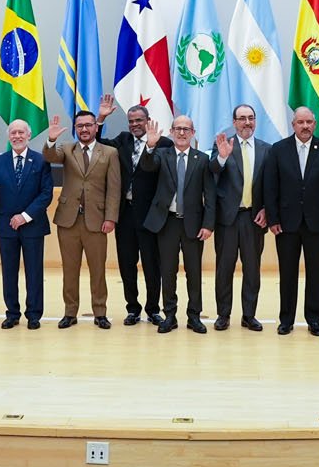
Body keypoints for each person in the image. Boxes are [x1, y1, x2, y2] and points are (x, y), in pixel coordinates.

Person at [265, 107, 319, 336]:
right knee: (287, 273)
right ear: (293, 124)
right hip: (286, 223)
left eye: (309, 122)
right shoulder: (278, 149)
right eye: (301, 122)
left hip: (317, 223)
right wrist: (273, 218)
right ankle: (286, 320)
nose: (305, 126)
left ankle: (314, 320)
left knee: (315, 272)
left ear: (315, 124)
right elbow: (270, 186)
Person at [43, 111, 121, 330]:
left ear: (96, 127)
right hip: (68, 221)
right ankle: (70, 312)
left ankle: (100, 312)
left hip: (97, 221)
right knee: (70, 270)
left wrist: (110, 218)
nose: (84, 129)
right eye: (80, 126)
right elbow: (49, 156)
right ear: (75, 128)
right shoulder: (67, 149)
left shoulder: (110, 152)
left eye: (88, 125)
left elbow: (114, 189)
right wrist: (51, 139)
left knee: (98, 270)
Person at [0, 120, 53, 330]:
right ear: (9, 136)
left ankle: (34, 315)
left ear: (29, 135)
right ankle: (12, 313)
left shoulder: (41, 160)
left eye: (21, 132)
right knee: (9, 272)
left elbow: (46, 194)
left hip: (33, 225)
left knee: (34, 272)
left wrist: (25, 216)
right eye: (13, 133)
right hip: (6, 226)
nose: (17, 136)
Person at [141, 115, 215, 334]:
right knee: (168, 271)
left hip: (193, 224)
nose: (182, 133)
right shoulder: (161, 155)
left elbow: (210, 195)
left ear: (193, 133)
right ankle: (170, 315)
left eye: (186, 129)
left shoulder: (202, 159)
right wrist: (150, 146)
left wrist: (208, 225)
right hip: (167, 223)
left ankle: (194, 316)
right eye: (178, 129)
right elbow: (147, 166)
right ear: (171, 132)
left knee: (194, 272)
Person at [95, 96, 163, 326]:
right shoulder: (122, 140)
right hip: (125, 215)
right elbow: (96, 143)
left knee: (152, 265)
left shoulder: (163, 143)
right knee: (127, 263)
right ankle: (132, 309)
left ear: (148, 121)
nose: (134, 124)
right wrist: (101, 118)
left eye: (138, 120)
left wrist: (151, 147)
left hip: (151, 216)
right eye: (131, 121)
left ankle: (153, 309)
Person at [209, 104, 269, 331]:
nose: (247, 122)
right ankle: (223, 315)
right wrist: (222, 158)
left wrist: (267, 210)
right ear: (234, 122)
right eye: (242, 118)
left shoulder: (266, 149)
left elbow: (271, 185)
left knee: (252, 270)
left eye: (251, 118)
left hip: (254, 218)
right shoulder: (223, 145)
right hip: (228, 219)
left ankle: (249, 315)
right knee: (224, 269)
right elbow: (213, 171)